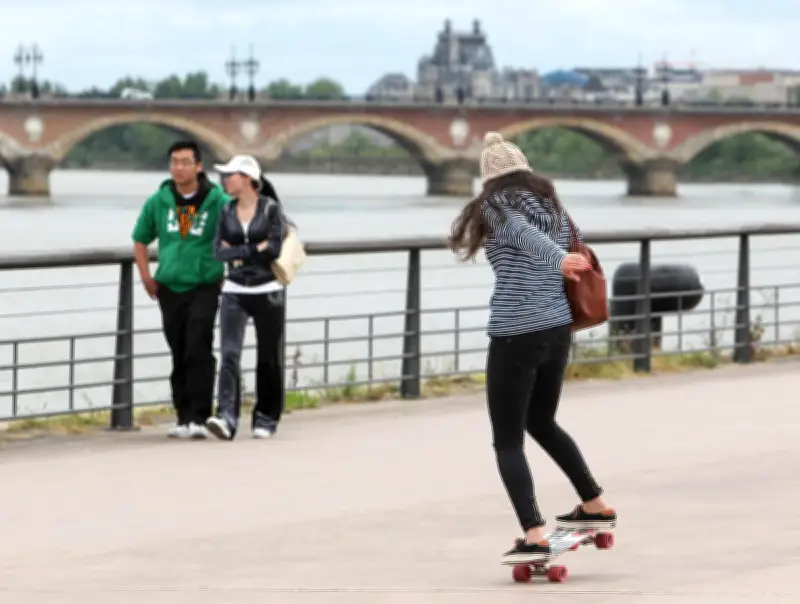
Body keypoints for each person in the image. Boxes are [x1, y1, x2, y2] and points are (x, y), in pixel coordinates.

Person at [448, 131, 617, 566]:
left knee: (507, 441)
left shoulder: (495, 206)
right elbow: (570, 238)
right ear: (526, 171)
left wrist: (557, 259)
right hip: (557, 329)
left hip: (516, 333)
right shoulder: (552, 205)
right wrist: (561, 257)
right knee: (541, 421)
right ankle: (594, 503)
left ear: (489, 178)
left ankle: (534, 534)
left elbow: (523, 235)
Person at [131, 140, 230, 440]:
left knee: (198, 346)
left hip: (204, 284)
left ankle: (200, 416)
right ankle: (183, 416)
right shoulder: (159, 201)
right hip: (169, 285)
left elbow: (237, 231)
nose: (179, 168)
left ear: (198, 166)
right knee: (179, 349)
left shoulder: (217, 200)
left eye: (186, 162)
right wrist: (146, 276)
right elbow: (140, 238)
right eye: (174, 162)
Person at [205, 155, 293, 440]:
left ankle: (266, 418)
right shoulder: (226, 211)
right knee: (229, 354)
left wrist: (240, 252)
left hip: (268, 291)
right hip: (234, 291)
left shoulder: (270, 209)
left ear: (247, 179)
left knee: (269, 356)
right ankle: (226, 417)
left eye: (230, 175)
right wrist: (255, 248)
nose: (224, 181)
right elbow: (219, 252)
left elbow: (274, 249)